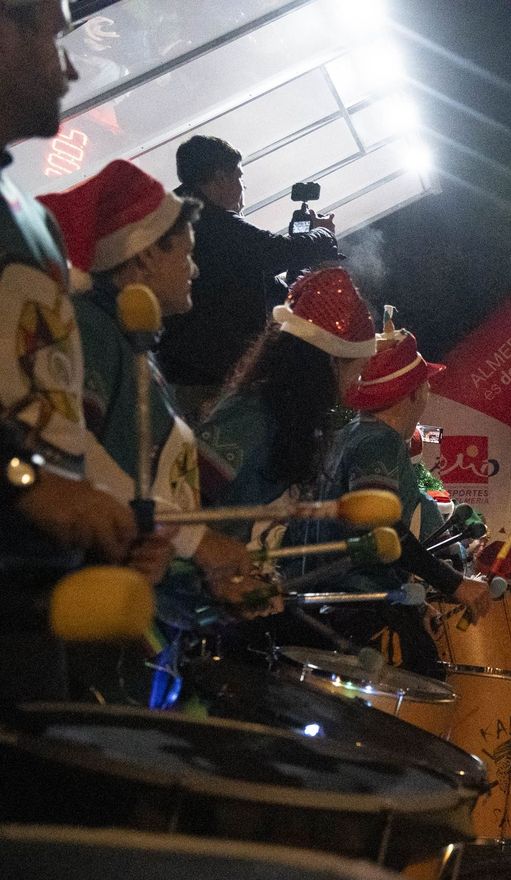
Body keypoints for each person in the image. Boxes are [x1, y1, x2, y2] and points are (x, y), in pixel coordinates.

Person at [1, 0, 175, 704]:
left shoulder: (31, 220)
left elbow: (45, 427)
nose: (69, 66)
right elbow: (30, 471)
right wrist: (25, 483)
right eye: (52, 36)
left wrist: (105, 534)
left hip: (29, 620)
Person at [40, 159, 277, 630]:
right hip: (72, 604)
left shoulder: (131, 344)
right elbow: (65, 454)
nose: (194, 269)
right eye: (185, 254)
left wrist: (163, 550)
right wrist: (198, 543)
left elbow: (134, 487)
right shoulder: (88, 328)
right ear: (145, 256)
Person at [304, 314, 491, 673]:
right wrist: (455, 584)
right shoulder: (380, 443)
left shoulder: (350, 436)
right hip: (361, 610)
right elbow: (383, 530)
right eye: (425, 384)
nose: (429, 392)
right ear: (411, 393)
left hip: (338, 605)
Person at [156, 135, 338, 416]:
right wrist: (324, 234)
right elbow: (274, 251)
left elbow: (271, 282)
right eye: (239, 177)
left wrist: (297, 270)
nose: (243, 187)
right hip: (204, 378)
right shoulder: (207, 220)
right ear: (219, 178)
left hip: (178, 370)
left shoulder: (171, 212)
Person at [197, 268, 377, 545]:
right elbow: (185, 503)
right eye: (358, 368)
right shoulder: (250, 415)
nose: (358, 380)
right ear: (331, 363)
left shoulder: (293, 419)